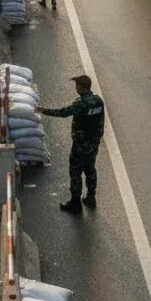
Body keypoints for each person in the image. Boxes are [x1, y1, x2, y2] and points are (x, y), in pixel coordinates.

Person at [40, 75, 106, 213]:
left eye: (77, 86)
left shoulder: (81, 104)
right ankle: (91, 197)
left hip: (81, 144)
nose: (76, 88)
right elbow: (100, 123)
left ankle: (75, 203)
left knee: (75, 172)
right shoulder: (98, 102)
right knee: (90, 169)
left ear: (81, 88)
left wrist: (43, 110)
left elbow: (63, 112)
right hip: (93, 143)